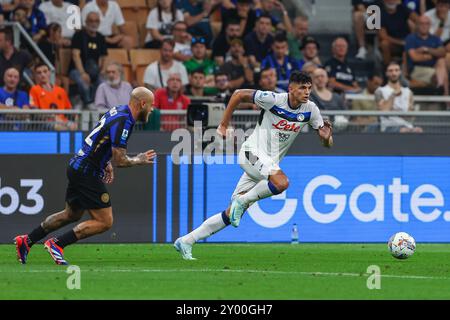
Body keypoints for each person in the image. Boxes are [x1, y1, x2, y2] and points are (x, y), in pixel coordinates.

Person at [174, 71, 333, 260]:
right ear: (291, 88)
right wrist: (224, 124)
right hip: (252, 153)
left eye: (309, 88)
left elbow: (326, 141)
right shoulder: (273, 99)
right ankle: (243, 201)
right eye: (302, 88)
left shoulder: (311, 109)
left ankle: (186, 241)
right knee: (281, 183)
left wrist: (326, 139)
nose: (306, 92)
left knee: (230, 212)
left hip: (266, 164)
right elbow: (238, 94)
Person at [14, 87, 157, 265]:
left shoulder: (118, 110)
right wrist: (139, 159)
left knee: (71, 214)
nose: (152, 109)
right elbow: (120, 160)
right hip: (87, 172)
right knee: (105, 221)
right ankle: (57, 244)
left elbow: (98, 136)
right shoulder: (124, 121)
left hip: (78, 165)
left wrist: (105, 162)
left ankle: (27, 241)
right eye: (151, 105)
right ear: (143, 103)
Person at [69, 11, 107, 109]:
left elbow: (103, 57)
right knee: (83, 83)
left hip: (94, 71)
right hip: (77, 70)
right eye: (91, 21)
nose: (93, 23)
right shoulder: (78, 35)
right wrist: (82, 73)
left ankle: (96, 103)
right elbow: (75, 55)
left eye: (96, 21)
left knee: (103, 82)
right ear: (86, 22)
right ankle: (88, 103)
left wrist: (102, 70)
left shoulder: (101, 37)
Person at [405, 14, 449, 96]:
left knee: (441, 61)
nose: (424, 26)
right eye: (421, 23)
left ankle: (442, 92)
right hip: (417, 69)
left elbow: (442, 53)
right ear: (417, 25)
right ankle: (445, 96)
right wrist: (433, 55)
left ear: (430, 25)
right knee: (440, 74)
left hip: (434, 68)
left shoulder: (435, 38)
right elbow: (415, 58)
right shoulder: (411, 38)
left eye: (427, 23)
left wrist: (426, 49)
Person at [375, 61, 423, 133]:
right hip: (389, 127)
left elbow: (411, 116)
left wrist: (396, 112)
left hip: (407, 126)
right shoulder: (380, 91)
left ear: (400, 72)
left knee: (419, 130)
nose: (394, 73)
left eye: (396, 70)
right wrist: (393, 95)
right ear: (386, 73)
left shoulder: (408, 92)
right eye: (390, 71)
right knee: (404, 131)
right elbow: (384, 111)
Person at [29, 62, 77, 131]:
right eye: (39, 73)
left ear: (49, 73)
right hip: (45, 122)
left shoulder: (61, 90)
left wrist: (77, 119)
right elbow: (35, 112)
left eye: (45, 71)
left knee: (75, 126)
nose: (42, 75)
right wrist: (53, 117)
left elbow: (69, 110)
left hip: (63, 121)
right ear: (36, 76)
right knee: (59, 128)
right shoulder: (34, 89)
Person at [379, 0, 419, 65]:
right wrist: (401, 43)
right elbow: (383, 36)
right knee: (384, 44)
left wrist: (413, 35)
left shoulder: (402, 8)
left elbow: (417, 19)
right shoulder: (379, 13)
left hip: (407, 39)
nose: (391, 1)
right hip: (393, 43)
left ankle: (414, 67)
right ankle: (388, 68)